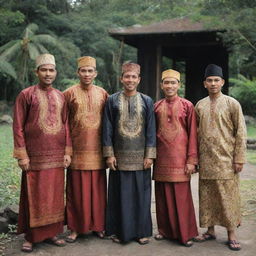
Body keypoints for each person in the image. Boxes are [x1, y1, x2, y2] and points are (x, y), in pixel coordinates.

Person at [13, 53, 72, 253]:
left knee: (54, 194)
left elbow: (66, 125)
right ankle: (31, 237)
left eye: (51, 70)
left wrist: (67, 151)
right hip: (34, 156)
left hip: (56, 156)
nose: (48, 74)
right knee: (34, 194)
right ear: (36, 72)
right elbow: (18, 126)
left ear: (55, 72)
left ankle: (52, 233)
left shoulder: (60, 96)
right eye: (44, 70)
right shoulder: (26, 94)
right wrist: (22, 155)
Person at [194, 64, 247, 251]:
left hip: (226, 160)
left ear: (222, 82)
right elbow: (195, 134)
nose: (213, 83)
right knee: (207, 196)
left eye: (217, 80)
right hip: (206, 160)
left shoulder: (232, 103)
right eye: (210, 80)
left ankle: (232, 233)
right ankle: (210, 230)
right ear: (205, 83)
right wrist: (195, 159)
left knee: (228, 198)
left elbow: (241, 132)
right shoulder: (200, 105)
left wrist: (239, 158)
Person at [102, 62, 156, 244]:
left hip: (141, 158)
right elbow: (107, 129)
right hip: (119, 157)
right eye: (127, 76)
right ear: (121, 78)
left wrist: (150, 154)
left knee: (141, 195)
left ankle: (141, 232)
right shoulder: (111, 100)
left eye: (134, 77)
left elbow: (151, 129)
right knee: (120, 196)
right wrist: (109, 154)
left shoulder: (147, 101)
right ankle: (120, 232)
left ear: (139, 79)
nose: (130, 80)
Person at [64, 56, 108, 242]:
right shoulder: (68, 93)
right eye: (84, 70)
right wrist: (66, 151)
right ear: (78, 73)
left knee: (97, 192)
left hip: (97, 151)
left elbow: (108, 124)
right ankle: (75, 228)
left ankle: (98, 226)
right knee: (76, 192)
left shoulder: (103, 93)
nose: (87, 74)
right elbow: (64, 124)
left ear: (95, 73)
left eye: (90, 71)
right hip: (77, 151)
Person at [153, 69, 198, 247]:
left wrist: (191, 160)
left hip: (181, 160)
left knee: (181, 197)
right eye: (166, 83)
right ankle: (165, 231)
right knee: (163, 196)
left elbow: (193, 134)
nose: (170, 86)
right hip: (162, 159)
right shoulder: (156, 106)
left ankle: (185, 233)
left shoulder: (188, 106)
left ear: (179, 85)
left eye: (173, 83)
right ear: (161, 85)